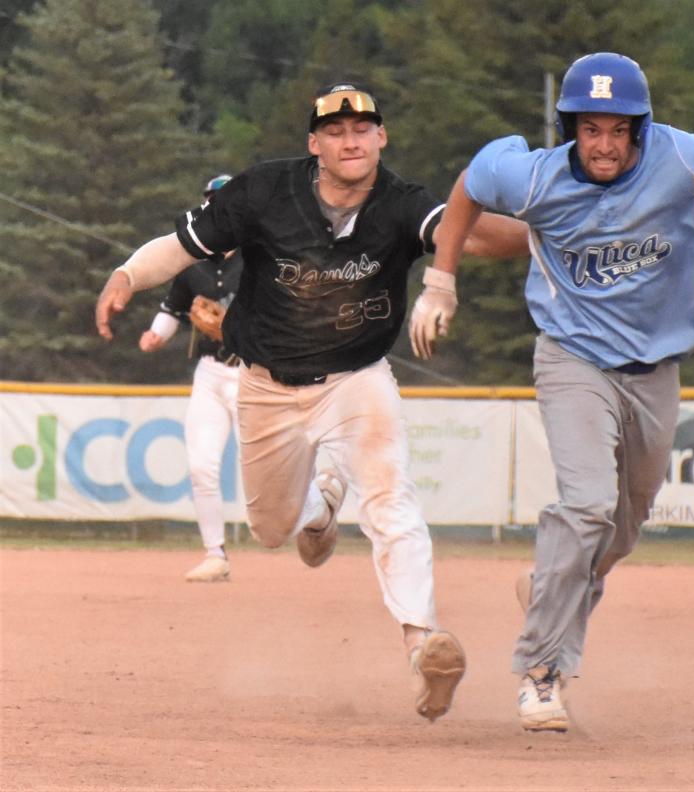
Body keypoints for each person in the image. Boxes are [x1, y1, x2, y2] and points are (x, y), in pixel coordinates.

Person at [96, 83, 529, 720]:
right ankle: (321, 507)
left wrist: (555, 223)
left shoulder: (403, 203)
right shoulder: (263, 191)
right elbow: (180, 247)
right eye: (335, 131)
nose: (350, 140)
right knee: (271, 529)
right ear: (314, 144)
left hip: (357, 378)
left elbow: (469, 236)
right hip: (266, 382)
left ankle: (423, 642)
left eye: (363, 129)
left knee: (391, 496)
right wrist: (126, 275)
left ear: (382, 137)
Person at [409, 52, 694, 732]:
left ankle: (551, 590)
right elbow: (470, 182)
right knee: (586, 507)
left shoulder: (683, 159)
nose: (605, 144)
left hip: (656, 370)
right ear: (571, 130)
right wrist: (441, 282)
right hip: (573, 357)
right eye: (591, 129)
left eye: (619, 130)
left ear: (640, 129)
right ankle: (541, 672)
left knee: (619, 533)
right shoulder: (536, 177)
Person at [138, 174, 243, 583]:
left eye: (226, 201)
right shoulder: (192, 263)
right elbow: (174, 309)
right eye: (213, 201)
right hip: (210, 374)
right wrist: (156, 334)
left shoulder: (261, 256)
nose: (219, 208)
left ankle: (309, 520)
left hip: (254, 376)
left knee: (264, 471)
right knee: (201, 466)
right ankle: (214, 553)